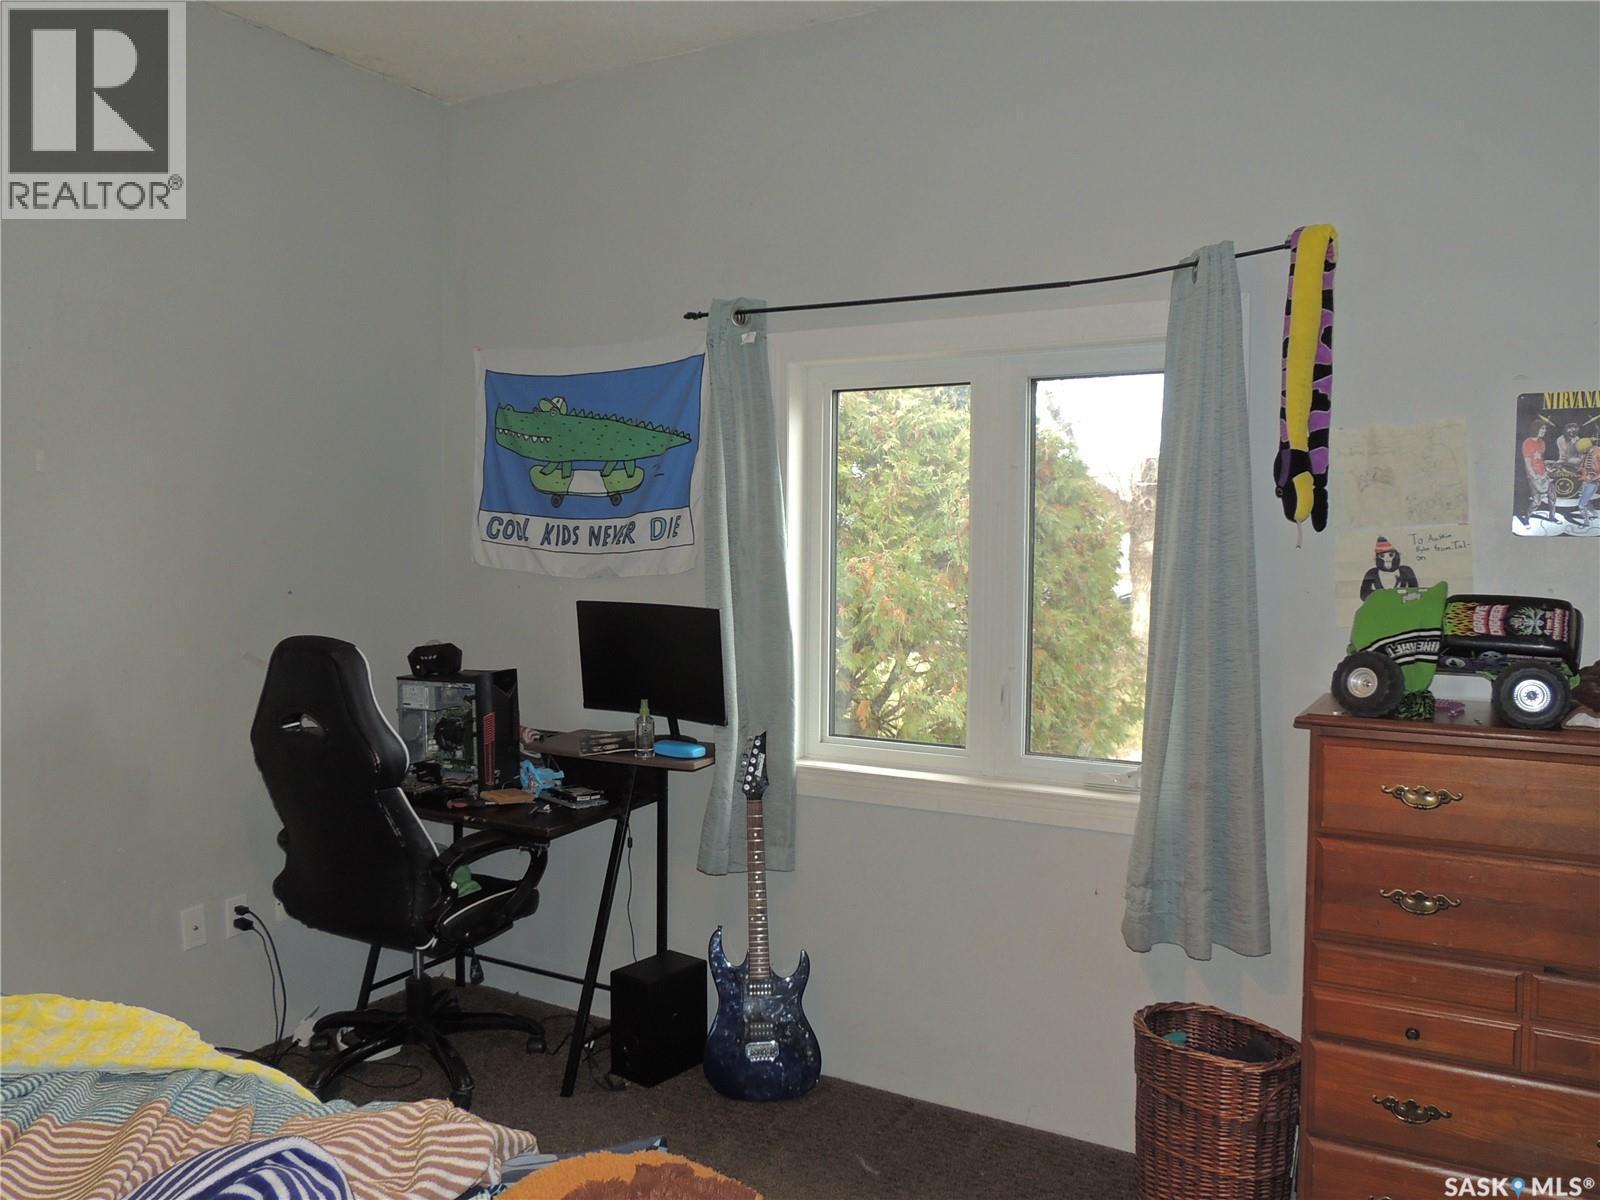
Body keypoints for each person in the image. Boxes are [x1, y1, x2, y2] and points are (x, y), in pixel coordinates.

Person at [1519, 418, 1554, 526]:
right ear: (1536, 429)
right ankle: (1527, 518)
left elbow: (1540, 459)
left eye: (1545, 429)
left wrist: (1547, 470)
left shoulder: (1542, 442)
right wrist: (1534, 476)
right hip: (1534, 476)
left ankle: (1552, 517)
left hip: (1544, 474)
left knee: (1552, 496)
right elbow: (1527, 462)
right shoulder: (1528, 442)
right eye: (1542, 428)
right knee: (1536, 502)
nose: (1544, 431)